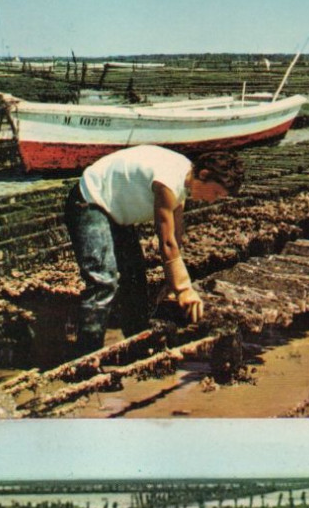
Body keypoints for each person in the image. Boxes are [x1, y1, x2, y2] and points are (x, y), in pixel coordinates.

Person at [64, 144, 244, 356]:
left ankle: (137, 344)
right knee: (104, 281)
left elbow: (176, 239)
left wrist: (173, 282)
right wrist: (184, 289)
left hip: (116, 211)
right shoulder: (169, 182)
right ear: (203, 174)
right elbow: (165, 241)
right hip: (90, 200)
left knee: (135, 277)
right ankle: (87, 356)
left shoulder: (185, 180)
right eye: (215, 192)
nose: (213, 200)